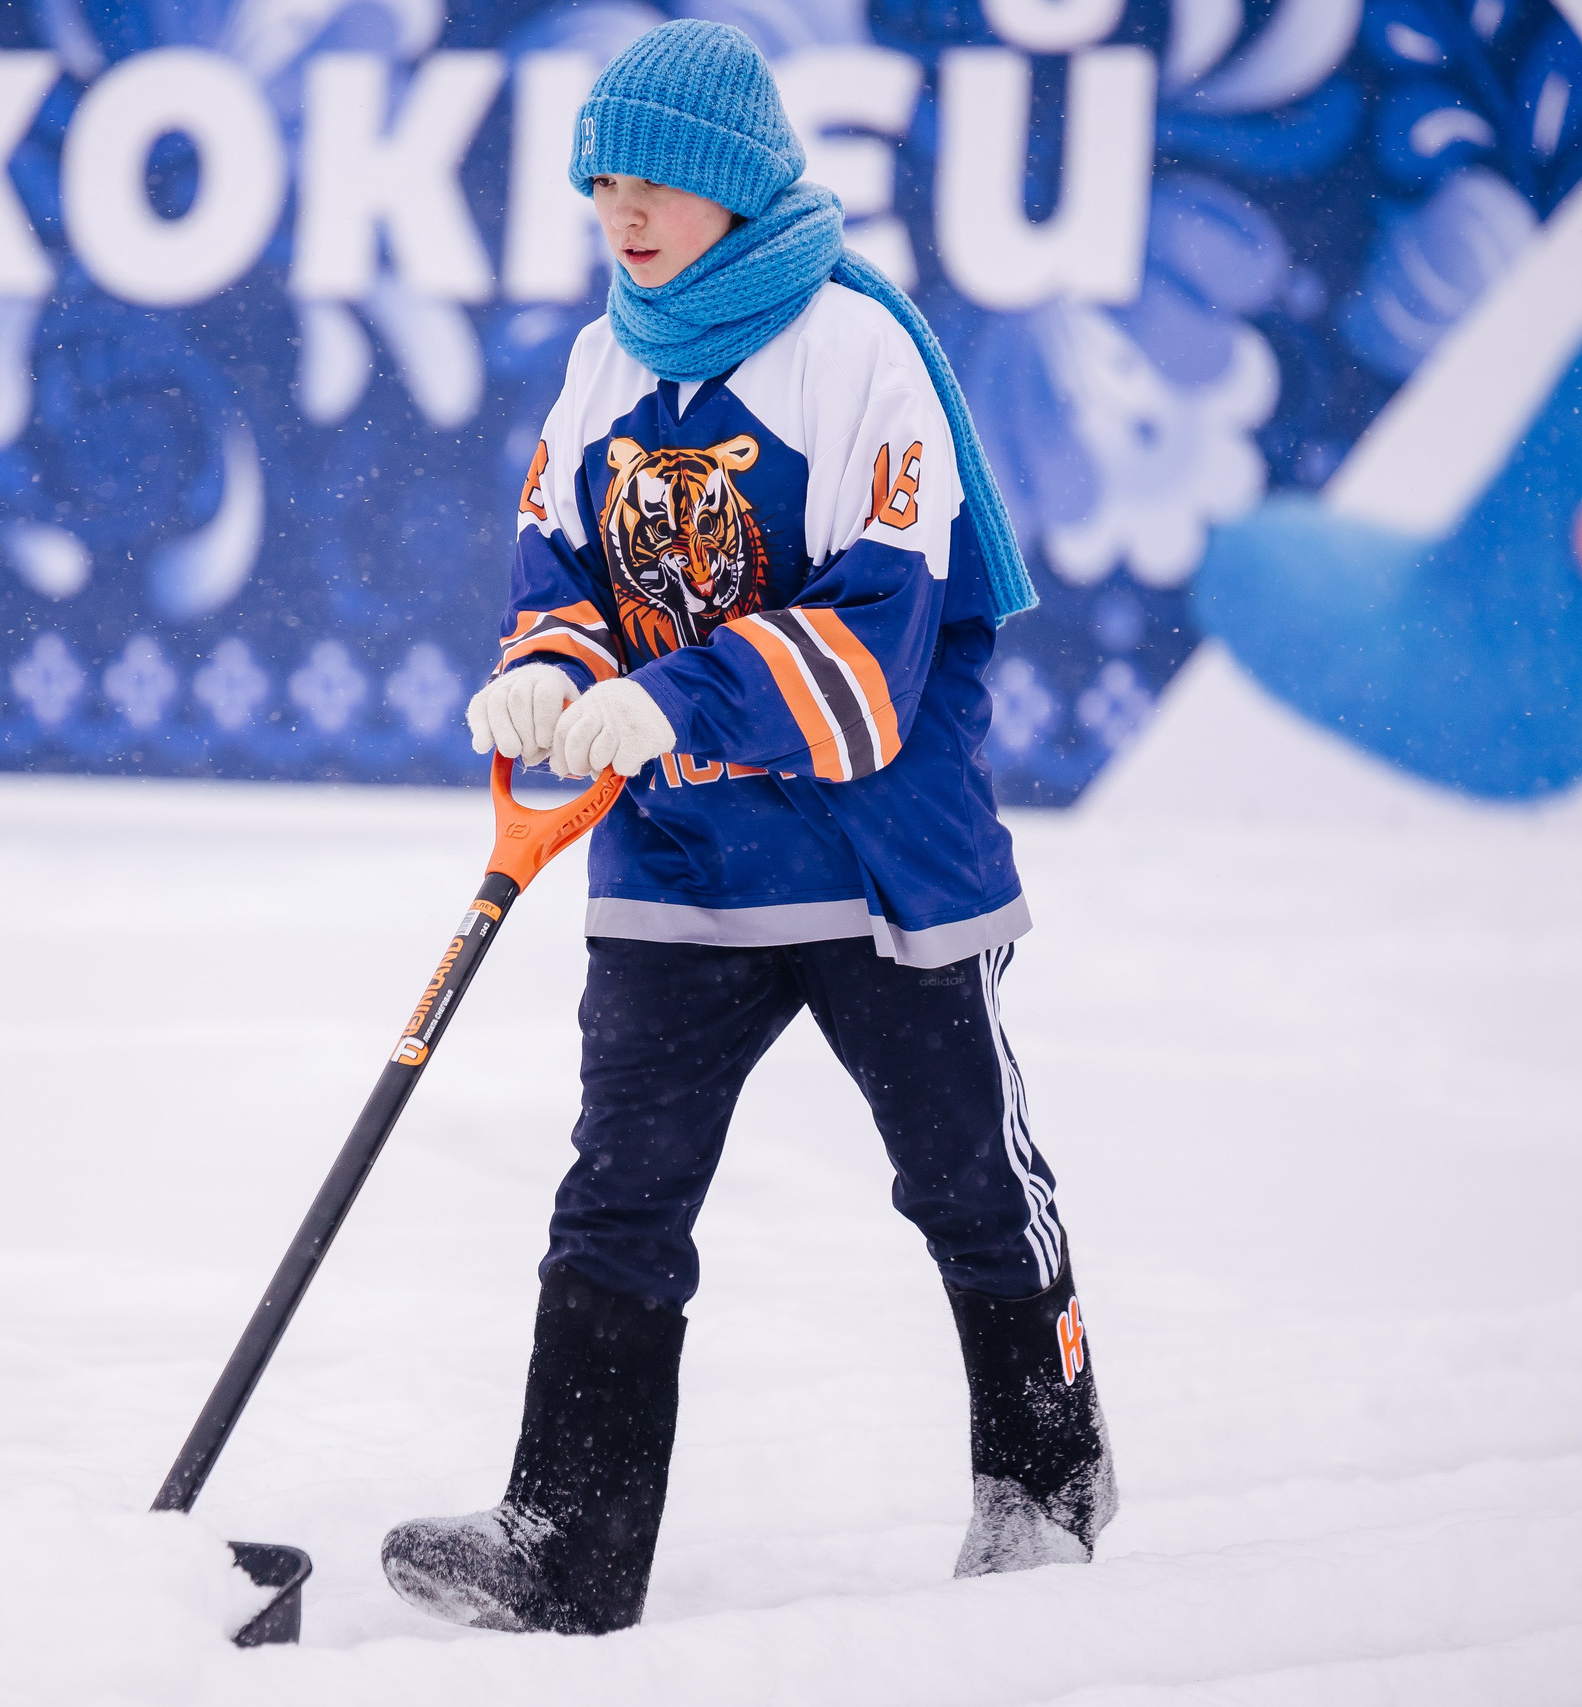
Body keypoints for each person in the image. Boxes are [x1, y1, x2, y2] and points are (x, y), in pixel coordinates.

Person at [377, 20, 1117, 1636]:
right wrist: (548, 675)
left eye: (654, 183)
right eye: (601, 185)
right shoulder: (603, 361)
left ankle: (1043, 1475)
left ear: (731, 186)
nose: (623, 212)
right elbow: (561, 574)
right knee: (618, 1196)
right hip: (685, 860)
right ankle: (566, 1543)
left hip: (875, 867)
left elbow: (885, 636)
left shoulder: (858, 353)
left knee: (965, 1182)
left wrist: (681, 698)